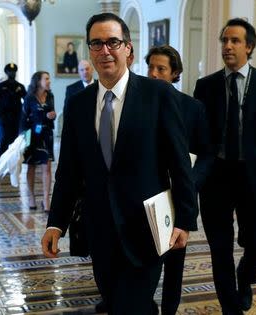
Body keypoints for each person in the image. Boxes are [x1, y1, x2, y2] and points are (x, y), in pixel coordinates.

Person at [41, 12, 198, 315]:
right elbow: (69, 172)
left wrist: (185, 221)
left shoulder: (158, 94)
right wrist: (56, 223)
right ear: (89, 50)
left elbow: (180, 163)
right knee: (115, 304)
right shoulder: (78, 105)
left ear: (128, 48)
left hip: (148, 229)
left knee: (131, 306)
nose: (105, 51)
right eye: (97, 44)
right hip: (99, 230)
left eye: (113, 42)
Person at [193, 18, 256, 314]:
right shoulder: (205, 86)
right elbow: (198, 134)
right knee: (220, 250)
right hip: (216, 176)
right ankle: (230, 307)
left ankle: (245, 277)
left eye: (234, 41)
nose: (227, 46)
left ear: (249, 46)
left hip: (254, 176)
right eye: (224, 40)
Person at [146, 45, 213, 315]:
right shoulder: (135, 103)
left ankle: (169, 310)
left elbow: (207, 153)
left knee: (174, 261)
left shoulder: (192, 108)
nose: (153, 74)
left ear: (175, 73)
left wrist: (189, 184)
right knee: (144, 260)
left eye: (161, 69)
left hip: (178, 198)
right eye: (150, 67)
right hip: (144, 195)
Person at [20, 71, 56, 211]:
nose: (49, 81)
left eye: (49, 78)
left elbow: (51, 112)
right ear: (38, 81)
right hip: (32, 136)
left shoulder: (50, 95)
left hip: (46, 135)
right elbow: (23, 119)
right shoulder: (29, 98)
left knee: (46, 167)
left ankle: (46, 200)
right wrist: (23, 138)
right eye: (46, 79)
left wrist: (51, 115)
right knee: (31, 166)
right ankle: (31, 197)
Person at [0, 63, 27, 156]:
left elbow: (26, 101)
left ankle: (12, 164)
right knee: (3, 140)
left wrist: (27, 116)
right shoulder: (1, 86)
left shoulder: (20, 86)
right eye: (10, 72)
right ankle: (2, 165)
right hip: (3, 117)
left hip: (16, 117)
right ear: (6, 73)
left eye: (14, 72)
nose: (12, 74)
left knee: (14, 141)